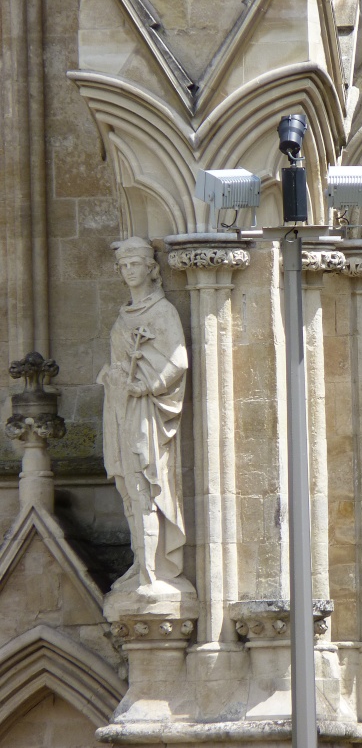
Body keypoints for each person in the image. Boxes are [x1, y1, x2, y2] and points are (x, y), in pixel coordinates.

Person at [98, 237, 188, 589]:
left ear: (151, 269)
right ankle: (140, 562)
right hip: (119, 405)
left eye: (134, 264)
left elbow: (177, 360)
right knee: (125, 487)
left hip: (143, 409)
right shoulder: (125, 315)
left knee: (143, 487)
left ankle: (153, 571)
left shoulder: (162, 311)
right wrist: (113, 375)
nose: (128, 271)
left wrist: (148, 385)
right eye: (123, 266)